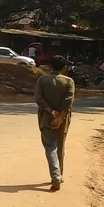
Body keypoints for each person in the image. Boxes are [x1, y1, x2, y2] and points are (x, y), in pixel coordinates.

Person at [34, 55, 75, 191]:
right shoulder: (69, 82)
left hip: (46, 117)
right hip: (64, 119)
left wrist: (52, 113)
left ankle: (56, 176)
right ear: (64, 68)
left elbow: (39, 99)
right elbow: (68, 101)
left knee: (50, 147)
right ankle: (59, 174)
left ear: (51, 66)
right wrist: (60, 117)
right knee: (60, 145)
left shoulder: (42, 80)